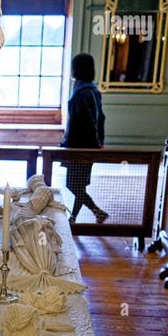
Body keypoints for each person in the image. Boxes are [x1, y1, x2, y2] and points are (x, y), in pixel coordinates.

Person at [61, 53, 108, 224]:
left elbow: (86, 123)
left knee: (73, 185)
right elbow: (101, 118)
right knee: (78, 184)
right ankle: (75, 218)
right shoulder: (91, 89)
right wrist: (99, 143)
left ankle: (93, 213)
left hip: (80, 147)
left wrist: (93, 145)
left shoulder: (82, 92)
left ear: (77, 69)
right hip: (86, 146)